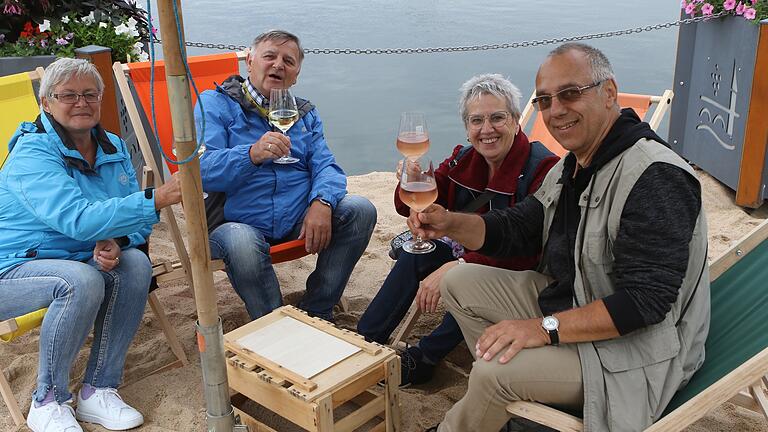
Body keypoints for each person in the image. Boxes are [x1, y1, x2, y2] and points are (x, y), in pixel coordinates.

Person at [415, 43, 709, 432]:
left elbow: (644, 303)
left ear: (609, 93)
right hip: (577, 303)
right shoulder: (577, 163)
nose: (555, 110)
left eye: (570, 93)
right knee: (457, 281)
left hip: (633, 353)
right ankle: (515, 400)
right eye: (544, 100)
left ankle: (492, 399)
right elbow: (521, 227)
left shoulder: (654, 176)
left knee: (492, 371)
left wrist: (541, 329)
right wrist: (449, 222)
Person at [0, 58, 183, 432]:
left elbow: (134, 221)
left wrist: (116, 240)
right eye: (68, 95)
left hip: (78, 259)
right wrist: (157, 198)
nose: (81, 102)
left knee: (134, 263)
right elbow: (78, 219)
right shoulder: (32, 154)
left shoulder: (111, 144)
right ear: (46, 102)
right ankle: (47, 399)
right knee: (79, 280)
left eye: (90, 94)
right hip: (12, 269)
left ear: (101, 99)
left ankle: (98, 388)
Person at [356, 74, 558, 386]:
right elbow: (414, 202)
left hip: (523, 270)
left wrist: (459, 265)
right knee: (415, 252)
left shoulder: (541, 169)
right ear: (467, 127)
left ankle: (425, 358)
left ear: (517, 120)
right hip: (471, 254)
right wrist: (411, 186)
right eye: (477, 120)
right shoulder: (464, 159)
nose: (487, 129)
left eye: (498, 118)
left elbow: (530, 249)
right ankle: (365, 341)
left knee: (464, 283)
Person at [195, 29, 376, 322]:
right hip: (235, 223)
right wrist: (250, 155)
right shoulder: (215, 104)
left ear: (296, 75)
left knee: (360, 210)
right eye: (270, 56)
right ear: (249, 62)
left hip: (296, 220)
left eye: (288, 61)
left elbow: (326, 166)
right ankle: (274, 322)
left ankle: (317, 310)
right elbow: (201, 170)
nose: (278, 64)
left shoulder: (303, 113)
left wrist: (322, 202)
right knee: (241, 241)